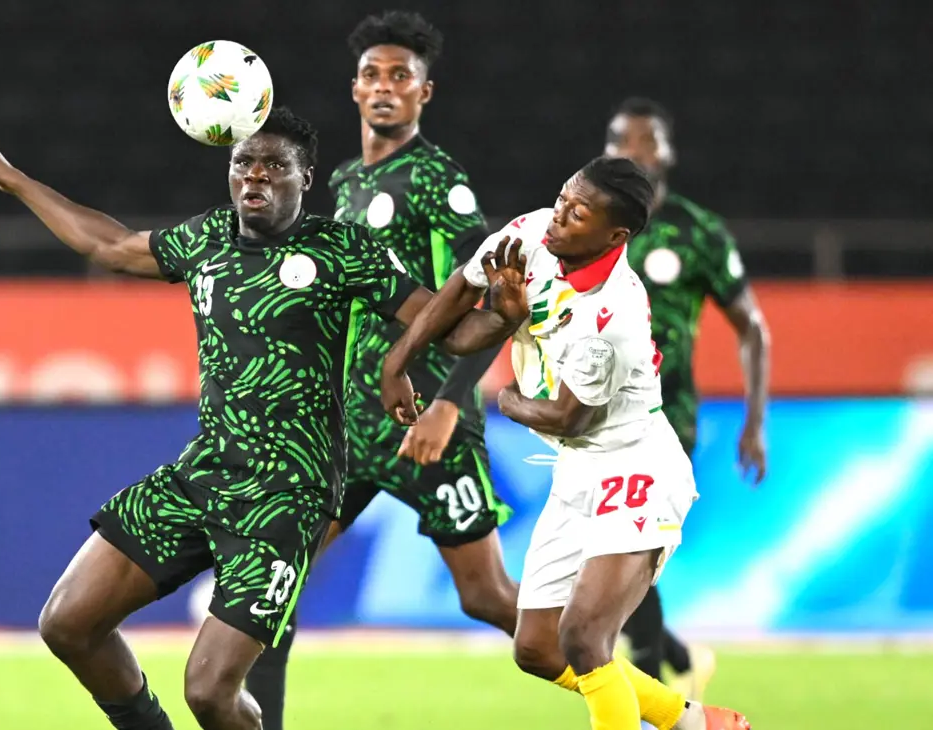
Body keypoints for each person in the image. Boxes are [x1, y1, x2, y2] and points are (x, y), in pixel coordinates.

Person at [0, 107, 493, 730]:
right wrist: (16, 179)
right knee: (68, 622)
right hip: (205, 472)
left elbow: (453, 329)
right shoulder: (205, 239)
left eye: (274, 165)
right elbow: (109, 245)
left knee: (208, 692)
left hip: (287, 497)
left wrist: (501, 307)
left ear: (306, 178)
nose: (255, 175)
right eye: (243, 162)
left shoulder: (344, 250)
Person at [380, 156, 751, 730]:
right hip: (578, 469)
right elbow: (457, 296)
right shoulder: (529, 235)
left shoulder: (614, 311)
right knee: (536, 647)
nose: (558, 216)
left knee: (584, 636)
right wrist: (398, 361)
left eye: (578, 213)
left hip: (636, 466)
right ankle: (691, 721)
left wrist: (506, 399)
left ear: (615, 235)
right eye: (562, 199)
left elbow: (569, 417)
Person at [244, 13, 517, 730]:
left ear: (425, 92)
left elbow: (490, 302)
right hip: (353, 426)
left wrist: (449, 405)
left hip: (427, 421)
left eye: (402, 76)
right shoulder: (343, 180)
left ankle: (648, 695)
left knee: (487, 597)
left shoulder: (436, 179)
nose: (385, 86)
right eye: (373, 74)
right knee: (274, 583)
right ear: (355, 89)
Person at [606, 97, 770, 699]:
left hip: (665, 418)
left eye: (646, 140)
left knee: (631, 552)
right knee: (605, 557)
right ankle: (678, 658)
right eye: (622, 140)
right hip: (592, 417)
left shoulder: (698, 232)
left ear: (668, 152)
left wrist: (755, 422)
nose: (633, 152)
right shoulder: (587, 224)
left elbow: (752, 328)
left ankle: (653, 692)